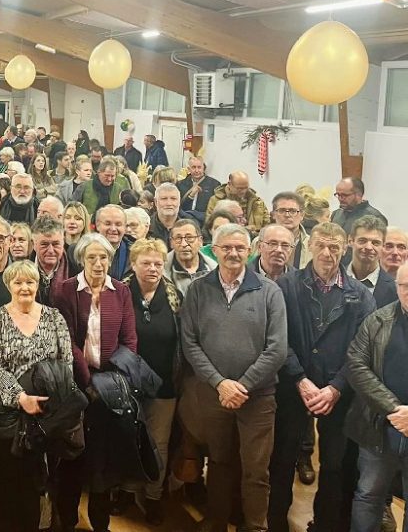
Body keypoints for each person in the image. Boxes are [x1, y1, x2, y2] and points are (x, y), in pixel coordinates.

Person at [267, 222, 375, 532]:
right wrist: (300, 378)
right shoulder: (286, 286)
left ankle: (326, 524)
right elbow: (278, 338)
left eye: (335, 247)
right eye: (322, 246)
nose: (327, 253)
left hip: (338, 394)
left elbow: (361, 349)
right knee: (283, 459)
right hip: (292, 387)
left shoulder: (360, 296)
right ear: (310, 247)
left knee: (334, 465)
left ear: (345, 249)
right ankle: (276, 523)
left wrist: (336, 388)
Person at [180, 223, 287, 532]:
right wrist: (220, 383)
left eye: (240, 248)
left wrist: (243, 385)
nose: (233, 253)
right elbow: (190, 343)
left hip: (259, 397)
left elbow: (278, 348)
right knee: (219, 462)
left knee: (256, 470)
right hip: (214, 395)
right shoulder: (199, 289)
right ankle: (215, 522)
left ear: (250, 251)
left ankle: (254, 526)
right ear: (214, 250)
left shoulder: (269, 291)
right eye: (226, 247)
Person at [50, 233, 138, 532]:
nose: (98, 263)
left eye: (104, 257)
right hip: (76, 387)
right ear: (81, 259)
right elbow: (66, 341)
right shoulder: (65, 290)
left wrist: (114, 382)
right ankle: (67, 521)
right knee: (72, 460)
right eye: (92, 257)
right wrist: (87, 383)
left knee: (103, 462)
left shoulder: (121, 291)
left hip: (109, 388)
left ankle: (100, 524)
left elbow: (129, 340)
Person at [0, 260, 73, 532]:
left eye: (30, 282)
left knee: (43, 477)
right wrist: (20, 398)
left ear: (38, 284)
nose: (25, 287)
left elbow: (66, 362)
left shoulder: (54, 317)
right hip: (10, 413)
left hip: (46, 414)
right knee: (11, 477)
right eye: (18, 282)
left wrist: (53, 401)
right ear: (8, 285)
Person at [120, 238, 183, 524]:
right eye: (146, 263)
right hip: (127, 382)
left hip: (165, 384)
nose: (153, 268)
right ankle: (126, 490)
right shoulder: (119, 292)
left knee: (159, 441)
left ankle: (154, 495)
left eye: (158, 263)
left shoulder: (174, 295)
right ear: (133, 265)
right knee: (128, 438)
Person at [345, 263, 408, 531]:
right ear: (396, 286)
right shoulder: (377, 320)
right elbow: (356, 365)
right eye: (405, 285)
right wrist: (394, 409)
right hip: (379, 426)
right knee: (368, 495)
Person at [348, 215, 398, 308]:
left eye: (375, 243)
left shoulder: (394, 290)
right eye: (362, 241)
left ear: (383, 245)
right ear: (350, 240)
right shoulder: (332, 280)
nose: (368, 247)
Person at [205, 171, 270, 235]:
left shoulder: (257, 202)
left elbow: (267, 226)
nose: (243, 191)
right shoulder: (216, 201)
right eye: (239, 188)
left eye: (246, 188)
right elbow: (210, 225)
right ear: (230, 184)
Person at [164, 219, 217, 296]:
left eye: (189, 238)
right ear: (171, 243)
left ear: (200, 241)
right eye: (178, 238)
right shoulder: (162, 272)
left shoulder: (214, 270)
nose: (184, 244)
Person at [270, 191, 312, 269]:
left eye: (293, 211)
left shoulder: (312, 245)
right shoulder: (260, 242)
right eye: (282, 210)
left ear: (302, 215)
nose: (287, 215)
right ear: (273, 215)